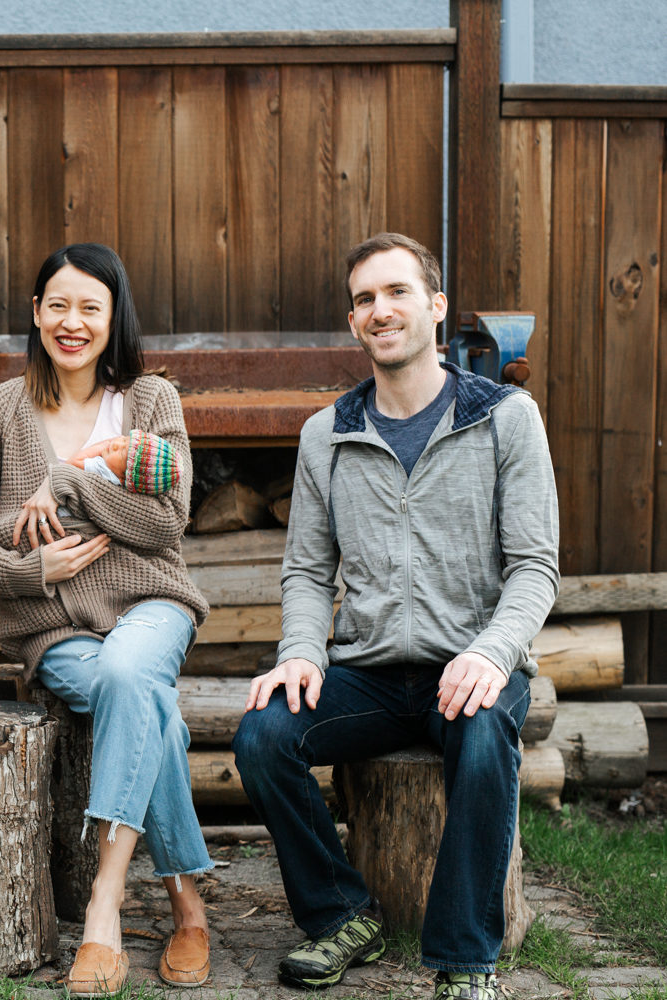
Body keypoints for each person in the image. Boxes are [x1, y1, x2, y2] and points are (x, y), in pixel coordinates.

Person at [232, 233, 559, 1000]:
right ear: (354, 322)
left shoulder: (506, 419)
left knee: (482, 735)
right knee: (263, 735)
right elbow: (309, 570)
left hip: (473, 666)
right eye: (366, 300)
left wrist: (492, 652)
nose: (382, 311)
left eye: (398, 292)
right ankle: (343, 914)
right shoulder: (328, 435)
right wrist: (304, 652)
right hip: (371, 673)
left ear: (435, 307)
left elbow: (536, 567)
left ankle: (462, 960)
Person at [0, 243, 214, 994]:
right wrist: (27, 570)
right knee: (152, 707)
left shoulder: (152, 403)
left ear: (114, 315)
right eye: (58, 304)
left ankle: (103, 905)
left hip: (152, 603)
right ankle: (187, 902)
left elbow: (166, 524)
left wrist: (69, 482)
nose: (73, 321)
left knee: (131, 670)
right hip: (53, 626)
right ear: (36, 312)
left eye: (91, 306)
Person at [65, 429, 181, 494]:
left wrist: (103, 445)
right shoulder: (120, 484)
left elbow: (72, 463)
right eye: (124, 439)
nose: (116, 443)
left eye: (122, 453)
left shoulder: (102, 469)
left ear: (124, 478)